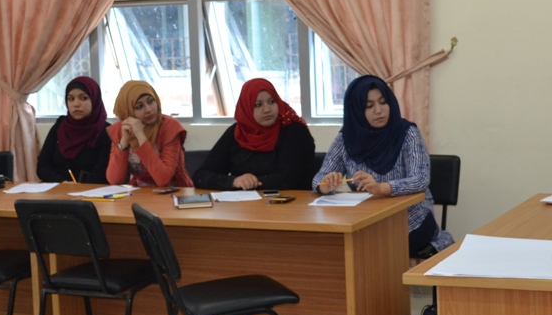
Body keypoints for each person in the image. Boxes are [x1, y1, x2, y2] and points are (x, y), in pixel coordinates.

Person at [313, 75, 453, 257]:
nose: (379, 111)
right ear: (356, 110)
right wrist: (325, 185)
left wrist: (382, 188)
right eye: (369, 106)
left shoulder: (407, 133)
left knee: (366, 248)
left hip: (411, 220)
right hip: (364, 220)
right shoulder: (347, 138)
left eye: (383, 102)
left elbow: (420, 180)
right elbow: (319, 177)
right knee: (332, 245)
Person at [193, 78, 316, 191]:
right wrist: (234, 181)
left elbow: (290, 179)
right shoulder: (238, 132)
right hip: (247, 204)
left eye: (271, 101)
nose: (267, 109)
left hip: (293, 202)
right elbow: (201, 175)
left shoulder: (294, 131)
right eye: (258, 105)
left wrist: (253, 182)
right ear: (246, 108)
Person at [106, 80, 192, 188]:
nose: (149, 109)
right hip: (141, 192)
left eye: (150, 101)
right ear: (128, 110)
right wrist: (124, 142)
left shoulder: (170, 127)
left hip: (176, 190)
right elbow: (114, 180)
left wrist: (140, 135)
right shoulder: (122, 129)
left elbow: (163, 179)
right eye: (139, 106)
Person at [36, 76, 112, 184]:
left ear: (95, 100)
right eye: (71, 99)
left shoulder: (107, 132)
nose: (76, 104)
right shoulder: (60, 125)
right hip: (59, 189)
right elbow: (43, 166)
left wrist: (79, 188)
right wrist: (62, 183)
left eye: (83, 98)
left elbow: (102, 175)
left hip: (92, 191)